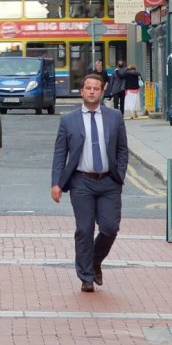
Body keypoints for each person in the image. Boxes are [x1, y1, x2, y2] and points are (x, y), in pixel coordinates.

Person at [51, 71, 128, 292]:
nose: (92, 91)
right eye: (88, 88)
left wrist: (120, 174)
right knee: (84, 230)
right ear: (82, 91)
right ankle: (85, 276)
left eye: (96, 88)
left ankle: (94, 261)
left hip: (109, 183)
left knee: (110, 228)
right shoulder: (68, 120)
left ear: (103, 91)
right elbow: (60, 154)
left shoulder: (115, 117)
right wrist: (56, 182)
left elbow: (122, 149)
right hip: (81, 182)